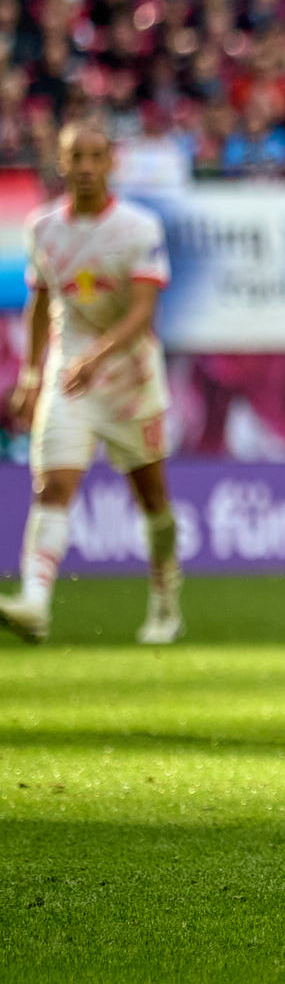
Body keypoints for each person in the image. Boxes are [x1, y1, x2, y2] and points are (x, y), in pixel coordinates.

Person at [0, 123, 185, 644]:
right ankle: (36, 602)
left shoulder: (138, 228)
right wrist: (32, 374)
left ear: (110, 163)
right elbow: (40, 303)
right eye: (75, 156)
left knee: (152, 498)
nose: (84, 167)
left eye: (94, 156)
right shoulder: (42, 228)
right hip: (70, 376)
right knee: (53, 484)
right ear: (61, 163)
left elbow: (143, 313)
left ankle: (165, 600)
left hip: (131, 380)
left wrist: (96, 358)